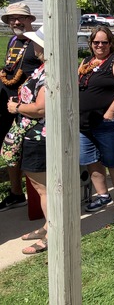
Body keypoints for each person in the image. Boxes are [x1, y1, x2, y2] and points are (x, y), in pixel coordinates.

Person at [78, 27, 114, 220]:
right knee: (90, 160)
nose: (100, 46)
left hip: (107, 122)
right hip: (84, 124)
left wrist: (110, 112)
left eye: (104, 42)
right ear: (90, 44)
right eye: (96, 42)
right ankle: (103, 195)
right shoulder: (86, 62)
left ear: (110, 43)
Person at [5, 27, 47, 254]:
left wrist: (17, 107)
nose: (32, 46)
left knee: (44, 188)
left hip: (39, 134)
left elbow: (41, 108)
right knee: (40, 186)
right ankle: (49, 225)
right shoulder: (42, 68)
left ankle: (52, 232)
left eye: (35, 42)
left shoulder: (49, 72)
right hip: (33, 132)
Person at [0, 3, 43, 211]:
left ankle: (37, 198)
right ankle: (16, 193)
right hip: (8, 105)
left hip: (29, 108)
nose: (16, 22)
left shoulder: (39, 42)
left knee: (28, 151)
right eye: (11, 19)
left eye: (21, 18)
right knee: (10, 149)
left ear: (30, 20)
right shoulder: (13, 40)